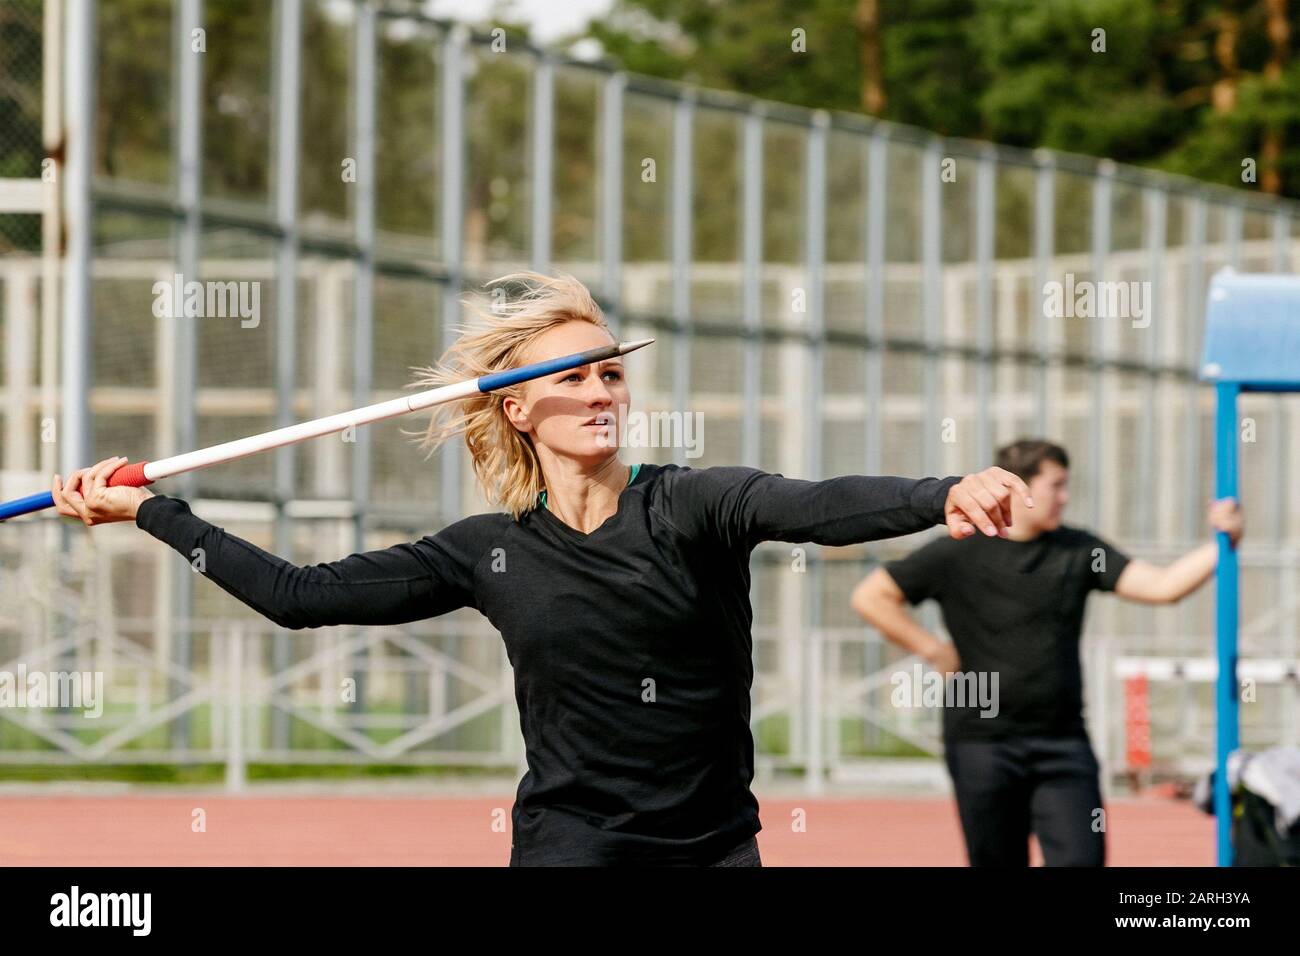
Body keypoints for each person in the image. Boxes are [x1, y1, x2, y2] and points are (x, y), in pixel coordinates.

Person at [49, 272, 1032, 867]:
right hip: (573, 848)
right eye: (573, 375)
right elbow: (301, 596)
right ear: (519, 408)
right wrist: (149, 509)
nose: (602, 388)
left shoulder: (692, 503)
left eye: (611, 370)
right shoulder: (488, 550)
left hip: (715, 847)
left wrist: (937, 492)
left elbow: (815, 504)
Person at [851, 438, 1244, 867]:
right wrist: (933, 650)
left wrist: (1223, 542)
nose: (1065, 496)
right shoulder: (957, 551)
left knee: (1082, 859)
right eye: (1056, 485)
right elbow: (872, 596)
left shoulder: (1078, 550)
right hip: (982, 743)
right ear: (1019, 487)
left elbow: (1163, 587)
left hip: (1063, 743)